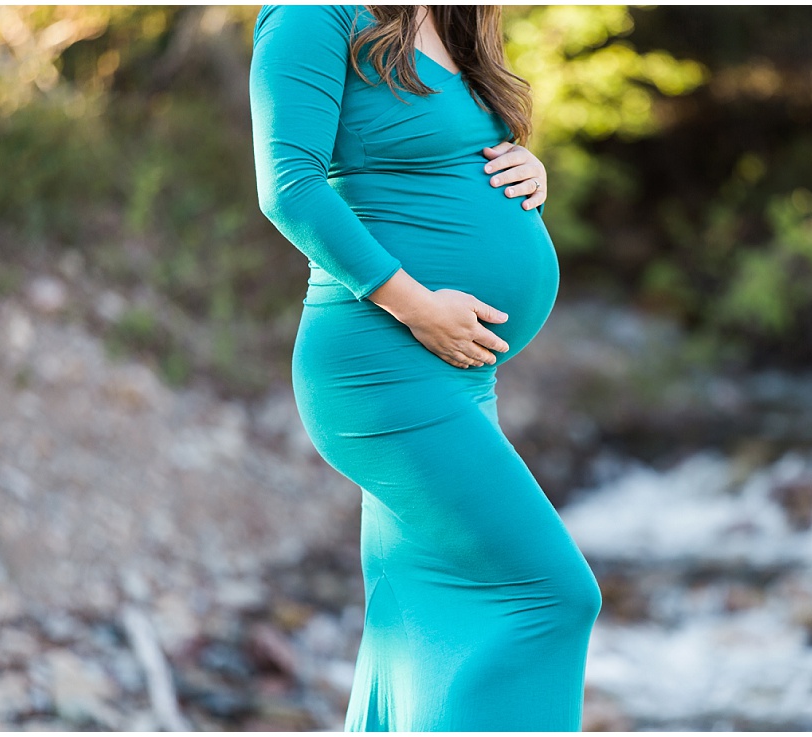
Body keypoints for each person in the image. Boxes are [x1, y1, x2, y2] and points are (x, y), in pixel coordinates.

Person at [249, 5, 603, 731]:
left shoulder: (451, 16)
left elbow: (440, 155)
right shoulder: (313, 14)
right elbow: (288, 184)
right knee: (552, 594)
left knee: (420, 613)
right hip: (382, 368)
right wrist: (414, 304)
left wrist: (522, 164)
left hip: (458, 373)